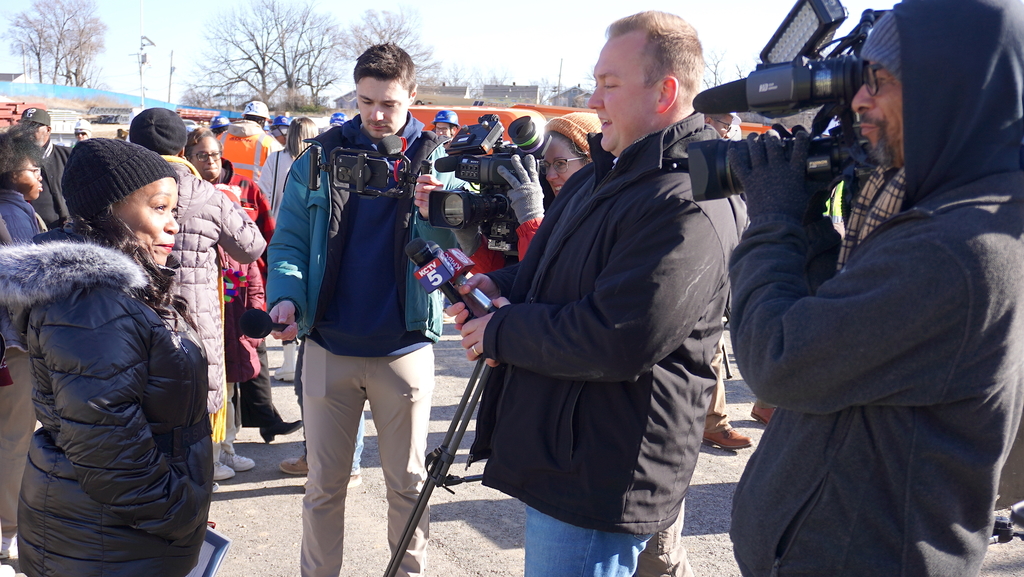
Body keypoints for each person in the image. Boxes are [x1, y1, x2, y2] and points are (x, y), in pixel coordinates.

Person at [726, 2, 1024, 575]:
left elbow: (779, 360)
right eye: (859, 81)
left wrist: (772, 223)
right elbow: (837, 328)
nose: (860, 101)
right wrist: (809, 222)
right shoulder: (954, 209)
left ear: (950, 93)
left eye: (880, 82)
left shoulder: (953, 248)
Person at [448, 12, 741, 577]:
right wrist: (497, 286)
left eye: (609, 84)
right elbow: (554, 270)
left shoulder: (690, 194)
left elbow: (621, 335)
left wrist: (501, 331)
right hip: (570, 450)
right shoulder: (604, 170)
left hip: (605, 469)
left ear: (666, 92)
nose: (592, 98)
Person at [267, 42, 458, 577]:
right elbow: (288, 244)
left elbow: (462, 243)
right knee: (323, 487)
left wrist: (441, 205)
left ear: (412, 97)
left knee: (409, 485)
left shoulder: (441, 162)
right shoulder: (318, 158)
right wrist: (287, 296)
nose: (376, 114)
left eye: (389, 104)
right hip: (328, 347)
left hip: (406, 347)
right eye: (366, 100)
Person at [0, 138, 213, 576]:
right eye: (158, 207)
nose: (173, 224)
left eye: (174, 210)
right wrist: (179, 510)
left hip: (110, 528)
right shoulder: (94, 304)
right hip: (108, 538)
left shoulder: (113, 293)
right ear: (109, 211)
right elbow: (107, 443)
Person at [130, 107, 266, 483]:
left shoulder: (122, 189)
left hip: (133, 322)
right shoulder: (206, 193)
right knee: (195, 424)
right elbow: (252, 246)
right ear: (183, 147)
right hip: (195, 322)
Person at [185, 127, 301, 450]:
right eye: (201, 156)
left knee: (252, 354)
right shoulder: (183, 193)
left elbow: (267, 234)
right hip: (209, 300)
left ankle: (263, 420)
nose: (210, 161)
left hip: (246, 289)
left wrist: (264, 278)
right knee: (223, 370)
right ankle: (225, 440)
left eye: (214, 154)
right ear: (188, 158)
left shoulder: (244, 188)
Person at [0, 131, 43, 562]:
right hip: (12, 347)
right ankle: (9, 531)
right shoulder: (15, 214)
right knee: (14, 439)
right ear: (14, 173)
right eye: (34, 168)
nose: (41, 175)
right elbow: (28, 285)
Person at [15, 108, 70, 229]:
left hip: (65, 230)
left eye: (34, 126)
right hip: (26, 228)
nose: (27, 131)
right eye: (24, 126)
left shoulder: (69, 156)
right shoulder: (13, 158)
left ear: (48, 130)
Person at [259, 117, 318, 221]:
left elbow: (263, 193)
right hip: (309, 225)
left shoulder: (275, 158)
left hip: (278, 223)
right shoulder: (319, 162)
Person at [219, 100, 283, 182]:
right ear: (263, 121)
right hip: (253, 191)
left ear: (244, 117)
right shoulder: (269, 143)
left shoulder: (221, 138)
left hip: (225, 190)